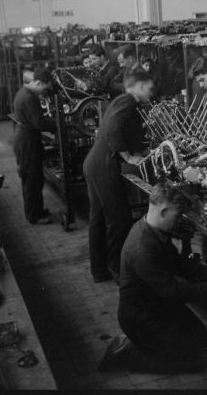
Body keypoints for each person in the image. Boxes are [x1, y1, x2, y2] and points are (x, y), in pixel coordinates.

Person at [98, 182, 207, 373]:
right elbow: (172, 291)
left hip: (155, 305)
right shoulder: (142, 247)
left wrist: (206, 273)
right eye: (177, 216)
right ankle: (126, 353)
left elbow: (176, 263)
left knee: (201, 341)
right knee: (196, 359)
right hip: (141, 317)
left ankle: (140, 345)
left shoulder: (153, 231)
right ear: (164, 212)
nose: (178, 221)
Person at [83, 70, 154, 283]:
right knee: (119, 219)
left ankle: (100, 271)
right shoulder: (128, 101)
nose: (152, 92)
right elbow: (113, 129)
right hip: (104, 166)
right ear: (140, 86)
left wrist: (140, 150)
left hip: (94, 164)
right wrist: (129, 157)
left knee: (98, 219)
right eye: (150, 88)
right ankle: (117, 271)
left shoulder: (121, 102)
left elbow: (120, 129)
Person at [12, 68, 56, 224]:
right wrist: (57, 125)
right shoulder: (30, 98)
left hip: (25, 139)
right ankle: (34, 216)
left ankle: (36, 210)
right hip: (27, 142)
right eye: (44, 88)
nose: (44, 92)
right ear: (38, 83)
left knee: (34, 178)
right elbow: (39, 123)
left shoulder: (24, 92)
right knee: (32, 180)